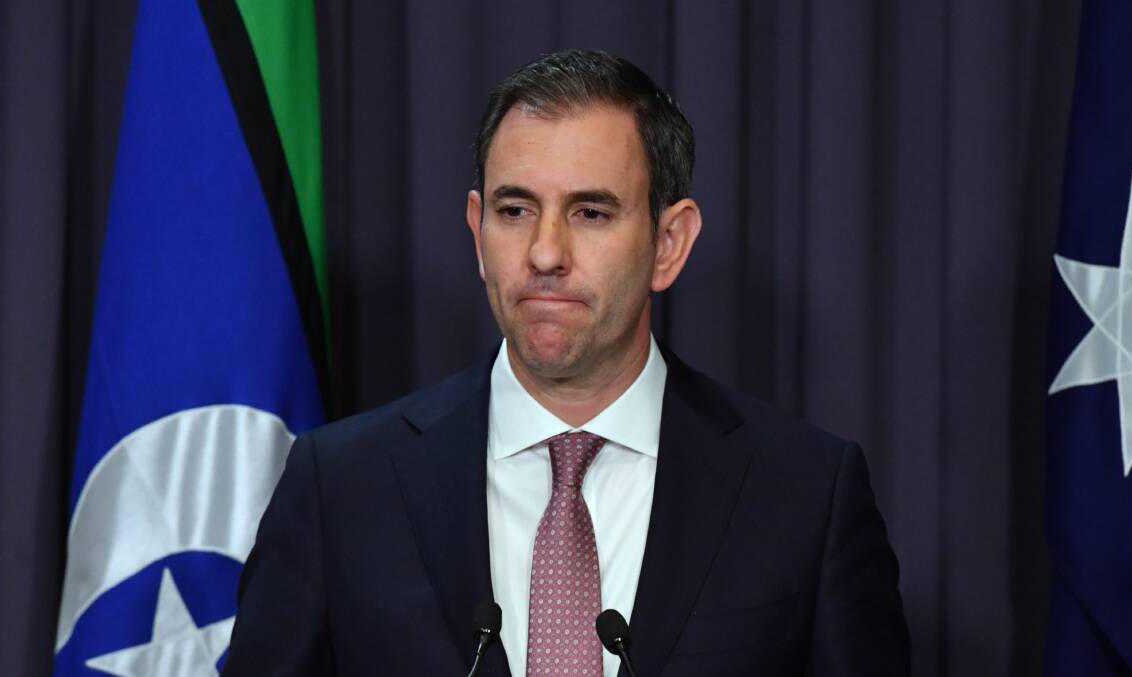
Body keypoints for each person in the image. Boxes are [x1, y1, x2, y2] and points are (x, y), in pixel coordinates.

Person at [223, 49, 909, 676]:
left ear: (669, 242)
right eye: (515, 209)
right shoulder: (341, 487)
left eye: (589, 213)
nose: (545, 254)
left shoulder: (804, 497)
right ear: (477, 232)